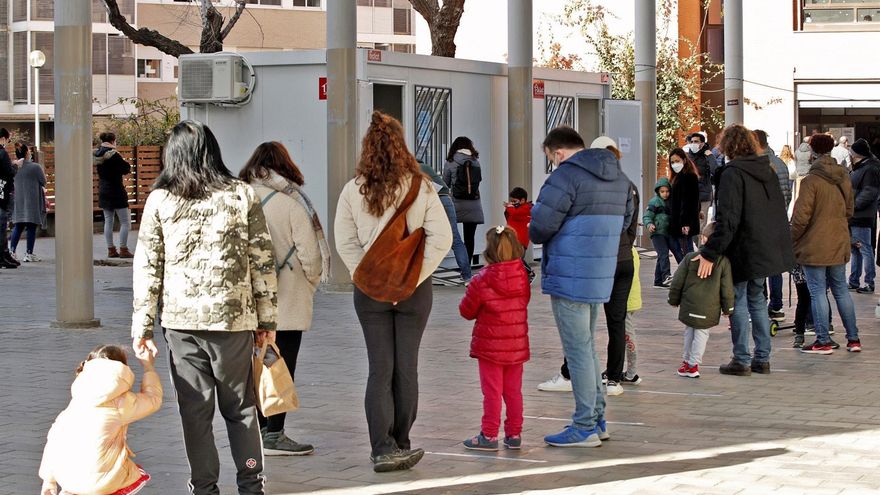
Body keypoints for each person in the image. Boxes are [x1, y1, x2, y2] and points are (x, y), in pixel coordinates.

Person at [131, 120, 278, 495]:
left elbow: (148, 267)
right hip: (233, 321)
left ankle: (204, 487)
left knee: (195, 413)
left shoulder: (161, 200)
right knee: (241, 409)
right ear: (212, 152)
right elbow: (262, 260)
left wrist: (143, 328)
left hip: (181, 324)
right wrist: (267, 320)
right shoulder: (241, 194)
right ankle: (250, 482)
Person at [334, 111, 452, 472]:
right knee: (407, 369)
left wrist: (369, 277)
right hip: (414, 293)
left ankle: (382, 448)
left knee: (379, 370)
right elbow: (442, 239)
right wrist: (411, 278)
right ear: (402, 146)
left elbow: (345, 242)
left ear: (367, 149)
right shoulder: (422, 187)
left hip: (370, 294)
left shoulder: (353, 189)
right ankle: (401, 442)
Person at [529, 126, 632, 448]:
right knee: (587, 347)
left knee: (578, 351)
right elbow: (627, 222)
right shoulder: (620, 179)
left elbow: (539, 229)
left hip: (569, 274)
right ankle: (597, 419)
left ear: (557, 152)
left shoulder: (564, 178)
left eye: (550, 158)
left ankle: (585, 424)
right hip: (602, 272)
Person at [240, 141, 328, 456]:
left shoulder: (238, 198)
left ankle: (256, 431)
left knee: (252, 364)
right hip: (285, 298)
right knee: (281, 364)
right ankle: (275, 434)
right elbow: (311, 256)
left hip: (245, 298)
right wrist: (312, 282)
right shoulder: (291, 204)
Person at [696, 124, 794, 376]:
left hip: (742, 248)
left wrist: (710, 252)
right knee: (758, 301)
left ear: (728, 145)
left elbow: (729, 218)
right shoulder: (768, 170)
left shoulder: (732, 174)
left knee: (737, 301)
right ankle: (762, 358)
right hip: (765, 246)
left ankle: (741, 359)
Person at [39, 345, 162, 495]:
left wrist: (49, 480)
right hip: (101, 484)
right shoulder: (122, 402)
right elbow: (153, 400)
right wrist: (149, 367)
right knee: (136, 473)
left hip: (67, 479)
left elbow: (53, 442)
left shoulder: (75, 404)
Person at [459, 226, 530, 452]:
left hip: (490, 345)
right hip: (516, 344)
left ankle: (489, 435)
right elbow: (523, 303)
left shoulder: (482, 279)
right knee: (513, 391)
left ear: (488, 252)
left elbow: (467, 311)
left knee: (492, 392)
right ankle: (514, 434)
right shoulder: (522, 275)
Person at [791, 133, 862, 354]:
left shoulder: (811, 180)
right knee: (841, 289)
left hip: (815, 244)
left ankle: (823, 340)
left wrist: (790, 239)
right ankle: (853, 339)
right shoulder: (843, 176)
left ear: (812, 151)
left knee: (817, 291)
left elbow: (801, 217)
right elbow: (850, 209)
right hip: (838, 240)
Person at [590, 136, 638, 397]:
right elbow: (630, 222)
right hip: (623, 257)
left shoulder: (593, 185)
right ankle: (615, 377)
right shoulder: (628, 184)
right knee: (617, 321)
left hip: (599, 260)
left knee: (584, 318)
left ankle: (574, 372)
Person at [669, 222, 735, 378]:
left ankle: (686, 362)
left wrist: (673, 299)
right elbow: (726, 288)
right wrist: (728, 309)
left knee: (689, 332)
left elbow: (677, 281)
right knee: (702, 334)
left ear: (704, 239)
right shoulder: (723, 262)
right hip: (709, 307)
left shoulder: (690, 258)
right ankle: (693, 364)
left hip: (689, 304)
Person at [754, 130, 792, 320]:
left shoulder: (758, 166)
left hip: (762, 223)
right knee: (775, 267)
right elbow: (788, 194)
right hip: (779, 220)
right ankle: (776, 306)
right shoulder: (780, 163)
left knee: (759, 265)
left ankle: (761, 303)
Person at [420, 159, 472, 282]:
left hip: (433, 202)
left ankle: (424, 276)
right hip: (446, 200)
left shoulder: (411, 170)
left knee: (424, 238)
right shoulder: (427, 167)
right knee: (456, 239)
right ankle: (467, 277)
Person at [443, 136, 485, 266]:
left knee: (454, 237)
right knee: (469, 237)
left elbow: (445, 183)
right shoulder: (475, 162)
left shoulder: (451, 162)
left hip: (456, 203)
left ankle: (460, 266)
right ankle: (467, 267)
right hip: (474, 204)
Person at [847, 138, 880, 294]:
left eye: (852, 153)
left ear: (858, 154)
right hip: (856, 214)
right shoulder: (860, 167)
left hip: (862, 215)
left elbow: (869, 192)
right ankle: (854, 280)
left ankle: (869, 282)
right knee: (855, 249)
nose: (850, 155)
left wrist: (853, 206)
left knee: (865, 249)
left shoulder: (870, 169)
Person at [94, 132, 134, 259]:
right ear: (113, 141)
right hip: (116, 190)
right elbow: (126, 168)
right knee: (125, 222)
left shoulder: (97, 154)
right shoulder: (114, 155)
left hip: (104, 191)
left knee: (108, 221)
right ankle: (123, 249)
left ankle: (111, 249)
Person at [9, 143, 45, 262]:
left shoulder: (13, 167)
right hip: (32, 200)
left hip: (18, 199)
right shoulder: (35, 167)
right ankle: (29, 253)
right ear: (27, 153)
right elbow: (43, 181)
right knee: (31, 226)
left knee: (18, 226)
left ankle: (12, 251)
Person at [668, 148, 701, 262]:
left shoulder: (689, 176)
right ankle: (685, 272)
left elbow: (690, 201)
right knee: (682, 248)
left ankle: (689, 273)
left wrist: (686, 223)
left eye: (677, 161)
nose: (674, 164)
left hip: (684, 221)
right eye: (672, 162)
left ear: (684, 160)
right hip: (678, 219)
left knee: (687, 251)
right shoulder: (678, 176)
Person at [643, 177, 674, 288]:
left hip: (666, 232)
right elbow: (647, 216)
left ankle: (658, 281)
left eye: (667, 191)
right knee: (663, 253)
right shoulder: (654, 202)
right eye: (662, 192)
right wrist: (649, 224)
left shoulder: (670, 203)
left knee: (662, 255)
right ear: (658, 192)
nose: (665, 194)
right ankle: (666, 275)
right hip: (657, 233)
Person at [685, 132, 714, 235]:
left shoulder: (708, 156)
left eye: (696, 141)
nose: (693, 143)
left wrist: (710, 156)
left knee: (701, 224)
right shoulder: (687, 157)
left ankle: (700, 249)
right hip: (689, 195)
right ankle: (691, 248)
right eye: (692, 141)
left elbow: (715, 170)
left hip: (703, 195)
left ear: (702, 143)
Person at [623, 246, 642, 385]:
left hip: (626, 300)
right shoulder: (631, 249)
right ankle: (629, 371)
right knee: (624, 335)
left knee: (627, 335)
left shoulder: (626, 251)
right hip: (631, 298)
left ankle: (631, 373)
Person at [0, 127, 18, 269]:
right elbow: (9, 172)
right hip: (3, 192)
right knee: (2, 224)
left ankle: (5, 254)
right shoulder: (2, 153)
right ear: (3, 138)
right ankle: (2, 256)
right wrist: (16, 166)